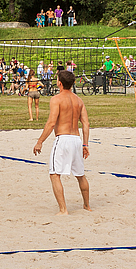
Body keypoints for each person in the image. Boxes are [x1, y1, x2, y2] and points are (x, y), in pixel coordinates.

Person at [33, 70, 91, 215]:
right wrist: (85, 144)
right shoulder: (79, 100)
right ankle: (87, 205)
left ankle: (63, 210)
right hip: (76, 140)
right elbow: (86, 124)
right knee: (80, 175)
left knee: (54, 174)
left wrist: (40, 141)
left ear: (59, 83)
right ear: (73, 83)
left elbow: (51, 123)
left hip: (63, 139)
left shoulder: (56, 99)